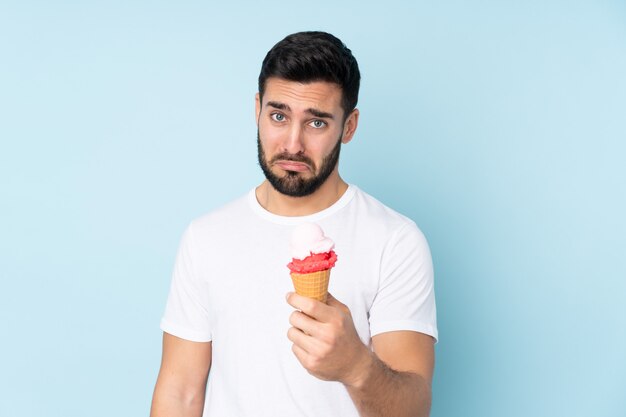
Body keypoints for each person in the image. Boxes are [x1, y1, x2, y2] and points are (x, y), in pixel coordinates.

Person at [150, 31, 437, 417]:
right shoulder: (206, 237)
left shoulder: (395, 240)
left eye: (316, 123)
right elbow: (179, 392)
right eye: (279, 116)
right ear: (258, 109)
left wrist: (356, 367)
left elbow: (412, 410)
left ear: (349, 127)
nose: (292, 144)